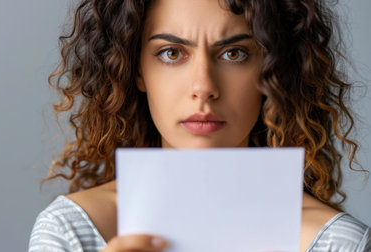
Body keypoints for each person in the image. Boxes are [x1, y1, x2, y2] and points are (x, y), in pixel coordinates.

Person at [29, 0, 371, 251]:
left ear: (272, 72)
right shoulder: (69, 232)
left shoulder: (338, 244)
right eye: (172, 53)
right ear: (135, 70)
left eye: (234, 53)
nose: (204, 86)